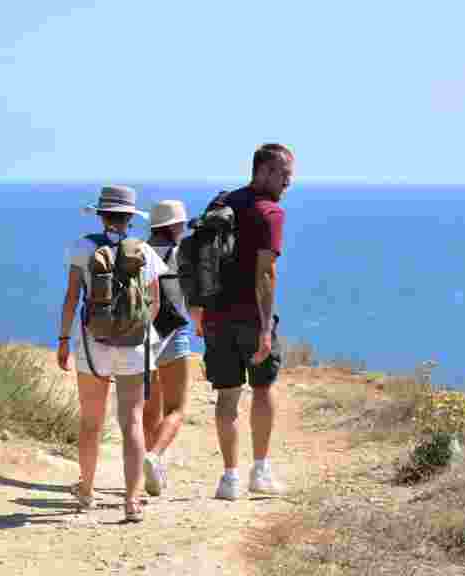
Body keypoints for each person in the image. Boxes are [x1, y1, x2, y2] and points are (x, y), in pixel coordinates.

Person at [57, 185, 166, 523]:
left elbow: (72, 298)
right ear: (130, 218)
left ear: (101, 214)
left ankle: (87, 490)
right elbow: (156, 303)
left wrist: (63, 339)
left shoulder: (83, 248)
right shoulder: (145, 252)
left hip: (94, 344)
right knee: (132, 421)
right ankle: (131, 502)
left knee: (91, 421)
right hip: (134, 346)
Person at [194, 143, 294, 501]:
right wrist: (266, 327)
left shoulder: (221, 204)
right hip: (251, 318)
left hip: (217, 316)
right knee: (263, 389)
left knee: (227, 396)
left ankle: (229, 478)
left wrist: (199, 311)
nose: (288, 183)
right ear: (264, 171)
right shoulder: (270, 214)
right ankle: (261, 471)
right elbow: (265, 273)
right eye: (284, 175)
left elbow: (198, 259)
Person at [141, 200, 194, 497]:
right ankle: (154, 456)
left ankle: (148, 467)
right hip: (174, 333)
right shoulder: (181, 254)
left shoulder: (137, 250)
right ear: (173, 226)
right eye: (181, 224)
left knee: (151, 410)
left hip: (143, 337)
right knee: (176, 409)